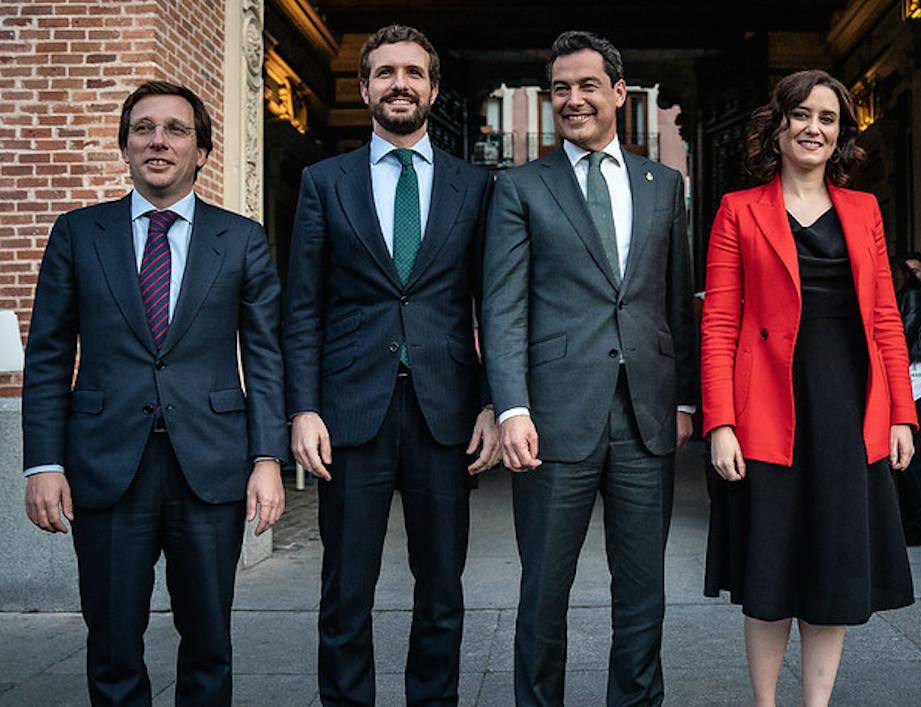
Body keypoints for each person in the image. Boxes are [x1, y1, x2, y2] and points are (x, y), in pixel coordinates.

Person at [21, 80, 287, 706]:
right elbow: (50, 354)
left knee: (208, 642)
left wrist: (268, 458)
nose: (158, 141)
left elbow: (267, 355)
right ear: (125, 146)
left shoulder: (241, 238)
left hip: (211, 465)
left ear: (202, 151)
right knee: (112, 642)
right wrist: (44, 462)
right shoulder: (78, 234)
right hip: (107, 463)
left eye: (175, 129)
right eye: (143, 128)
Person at [284, 24, 499, 706]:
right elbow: (302, 307)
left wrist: (496, 402)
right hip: (350, 413)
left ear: (433, 88)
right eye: (385, 72)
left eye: (412, 72)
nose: (399, 83)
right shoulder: (325, 182)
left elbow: (492, 305)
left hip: (446, 411)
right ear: (366, 87)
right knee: (346, 588)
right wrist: (303, 407)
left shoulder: (475, 186)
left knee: (442, 587)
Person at [482, 30, 697, 707]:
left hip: (646, 416)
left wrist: (686, 399)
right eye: (560, 89)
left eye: (586, 85)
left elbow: (675, 299)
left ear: (618, 93)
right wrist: (511, 405)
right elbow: (503, 305)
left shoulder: (665, 185)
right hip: (551, 418)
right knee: (543, 588)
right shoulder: (520, 187)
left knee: (642, 592)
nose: (573, 99)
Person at [700, 69, 917, 707]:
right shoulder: (739, 210)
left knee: (833, 569)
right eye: (802, 114)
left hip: (847, 406)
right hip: (766, 407)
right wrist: (720, 422)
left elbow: (885, 320)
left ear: (840, 133)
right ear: (780, 125)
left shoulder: (865, 210)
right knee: (771, 571)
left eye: (827, 118)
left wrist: (902, 414)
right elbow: (718, 324)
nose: (813, 128)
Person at [894, 251, 921, 546]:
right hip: (909, 380)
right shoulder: (908, 295)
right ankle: (915, 521)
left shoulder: (913, 296)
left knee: (912, 455)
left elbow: (903, 335)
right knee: (910, 455)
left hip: (918, 382)